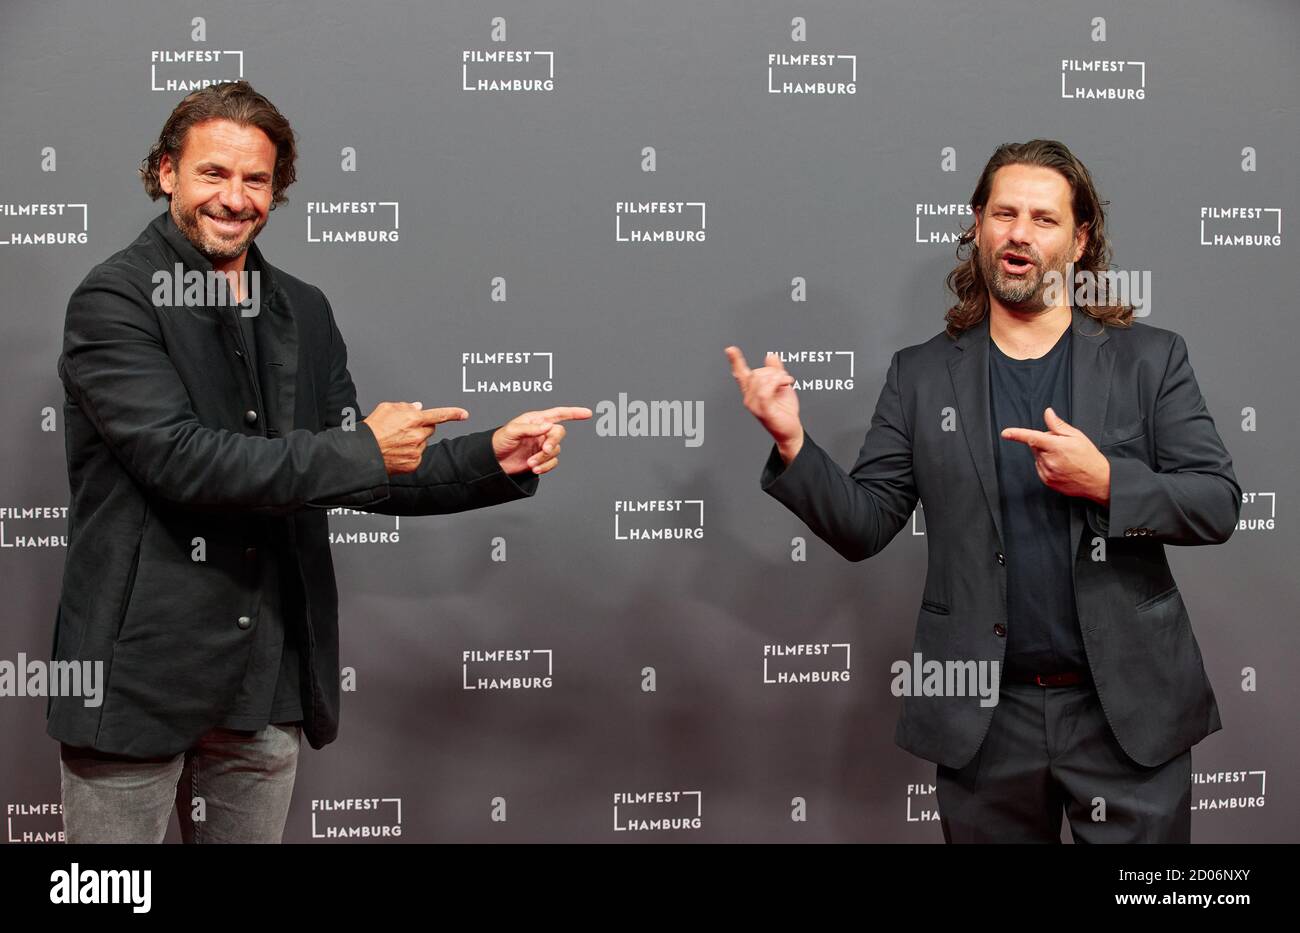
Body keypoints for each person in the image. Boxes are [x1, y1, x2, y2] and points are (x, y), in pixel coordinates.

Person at [50, 81, 591, 843]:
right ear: (167, 171)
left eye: (256, 179)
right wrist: (362, 446)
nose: (234, 198)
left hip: (267, 678)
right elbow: (180, 461)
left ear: (277, 188)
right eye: (213, 173)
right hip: (138, 677)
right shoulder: (114, 300)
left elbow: (355, 465)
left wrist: (490, 457)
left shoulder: (302, 308)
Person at [726, 139, 1241, 843]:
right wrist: (792, 443)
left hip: (1127, 717)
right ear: (978, 226)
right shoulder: (921, 376)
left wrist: (1108, 482)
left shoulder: (1151, 360)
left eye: (1043, 217)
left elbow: (1216, 501)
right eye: (1004, 213)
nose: (1019, 232)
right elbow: (865, 523)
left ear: (1082, 237)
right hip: (985, 724)